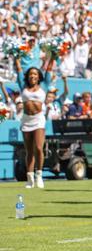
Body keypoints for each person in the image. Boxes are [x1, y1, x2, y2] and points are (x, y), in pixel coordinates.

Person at [15, 56, 53, 189]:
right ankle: (29, 178)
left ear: (38, 76)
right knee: (29, 151)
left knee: (38, 148)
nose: (33, 76)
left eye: (35, 74)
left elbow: (49, 69)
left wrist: (53, 55)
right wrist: (16, 56)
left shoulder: (44, 85)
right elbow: (19, 70)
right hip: (26, 120)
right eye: (31, 74)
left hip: (39, 119)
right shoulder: (23, 86)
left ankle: (39, 175)